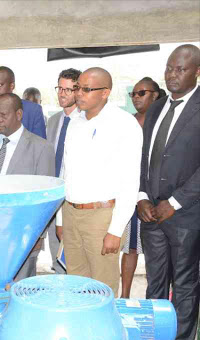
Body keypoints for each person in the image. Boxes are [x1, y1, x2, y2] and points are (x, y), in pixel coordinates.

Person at [137, 44, 200, 340]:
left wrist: (175, 202)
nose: (173, 74)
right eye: (170, 68)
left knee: (185, 282)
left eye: (181, 69)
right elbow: (145, 156)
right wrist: (141, 196)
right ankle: (154, 337)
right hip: (151, 213)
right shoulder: (158, 107)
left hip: (186, 215)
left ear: (197, 72)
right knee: (155, 280)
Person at [56, 67, 142, 295]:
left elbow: (130, 181)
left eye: (86, 89)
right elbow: (65, 172)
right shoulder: (75, 122)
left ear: (105, 92)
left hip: (102, 217)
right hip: (71, 213)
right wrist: (60, 219)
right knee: (75, 283)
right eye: (77, 88)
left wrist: (116, 229)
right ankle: (81, 330)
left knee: (102, 288)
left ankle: (103, 331)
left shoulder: (124, 123)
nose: (78, 94)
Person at [0, 93, 54, 279]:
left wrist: (38, 236)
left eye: (3, 115)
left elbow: (45, 199)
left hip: (21, 236)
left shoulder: (40, 148)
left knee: (18, 293)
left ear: (18, 114)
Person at [120, 77, 164, 298]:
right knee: (131, 247)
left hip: (156, 195)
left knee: (156, 252)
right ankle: (125, 297)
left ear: (155, 95)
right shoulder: (128, 121)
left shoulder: (162, 121)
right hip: (130, 192)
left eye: (141, 93)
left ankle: (156, 297)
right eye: (133, 94)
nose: (136, 97)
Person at [47, 68, 81, 274]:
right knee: (56, 255)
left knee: (75, 261)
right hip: (54, 195)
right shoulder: (53, 121)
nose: (62, 93)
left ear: (78, 91)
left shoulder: (86, 121)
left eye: (68, 89)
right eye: (60, 88)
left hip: (75, 199)